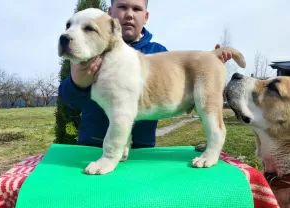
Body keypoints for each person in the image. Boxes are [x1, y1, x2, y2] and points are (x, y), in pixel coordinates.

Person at [58, 0, 232, 149]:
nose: (129, 14)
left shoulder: (157, 52)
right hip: (93, 145)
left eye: (136, 9)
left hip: (142, 149)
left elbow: (178, 75)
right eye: (123, 7)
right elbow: (70, 100)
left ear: (146, 17)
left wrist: (208, 67)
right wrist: (78, 83)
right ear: (109, 13)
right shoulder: (87, 53)